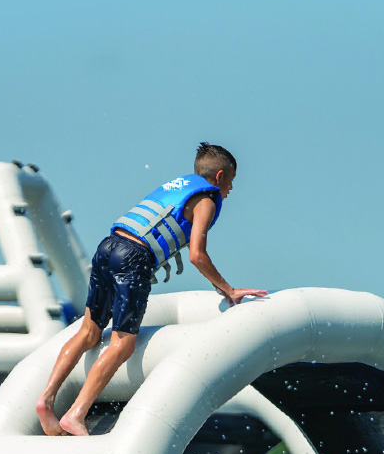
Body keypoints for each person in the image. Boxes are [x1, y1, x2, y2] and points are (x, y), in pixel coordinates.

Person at [36, 143, 268, 437]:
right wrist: (228, 289)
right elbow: (197, 254)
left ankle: (46, 399)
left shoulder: (176, 186)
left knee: (89, 333)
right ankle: (76, 413)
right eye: (232, 181)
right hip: (134, 257)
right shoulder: (206, 199)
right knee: (123, 343)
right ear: (220, 176)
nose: (231, 189)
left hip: (108, 247)